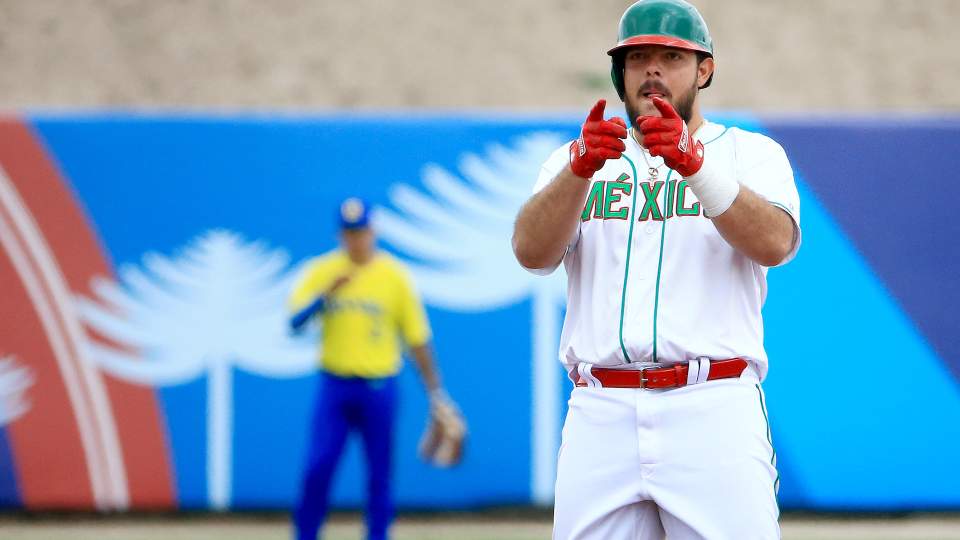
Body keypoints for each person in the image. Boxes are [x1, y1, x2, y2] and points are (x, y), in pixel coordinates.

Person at [512, 0, 801, 538]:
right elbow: (531, 252)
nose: (652, 69)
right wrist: (578, 170)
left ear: (704, 69)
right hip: (601, 406)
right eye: (637, 56)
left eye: (671, 56)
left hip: (711, 403)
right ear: (618, 72)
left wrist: (695, 165)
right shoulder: (576, 159)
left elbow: (775, 243)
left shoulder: (749, 153)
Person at [289, 197, 457, 540]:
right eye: (349, 233)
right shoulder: (323, 270)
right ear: (340, 235)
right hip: (335, 385)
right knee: (318, 468)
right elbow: (294, 322)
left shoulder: (393, 276)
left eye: (361, 231)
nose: (356, 239)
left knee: (379, 475)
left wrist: (436, 392)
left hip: (379, 387)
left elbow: (417, 340)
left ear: (373, 231)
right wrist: (324, 295)